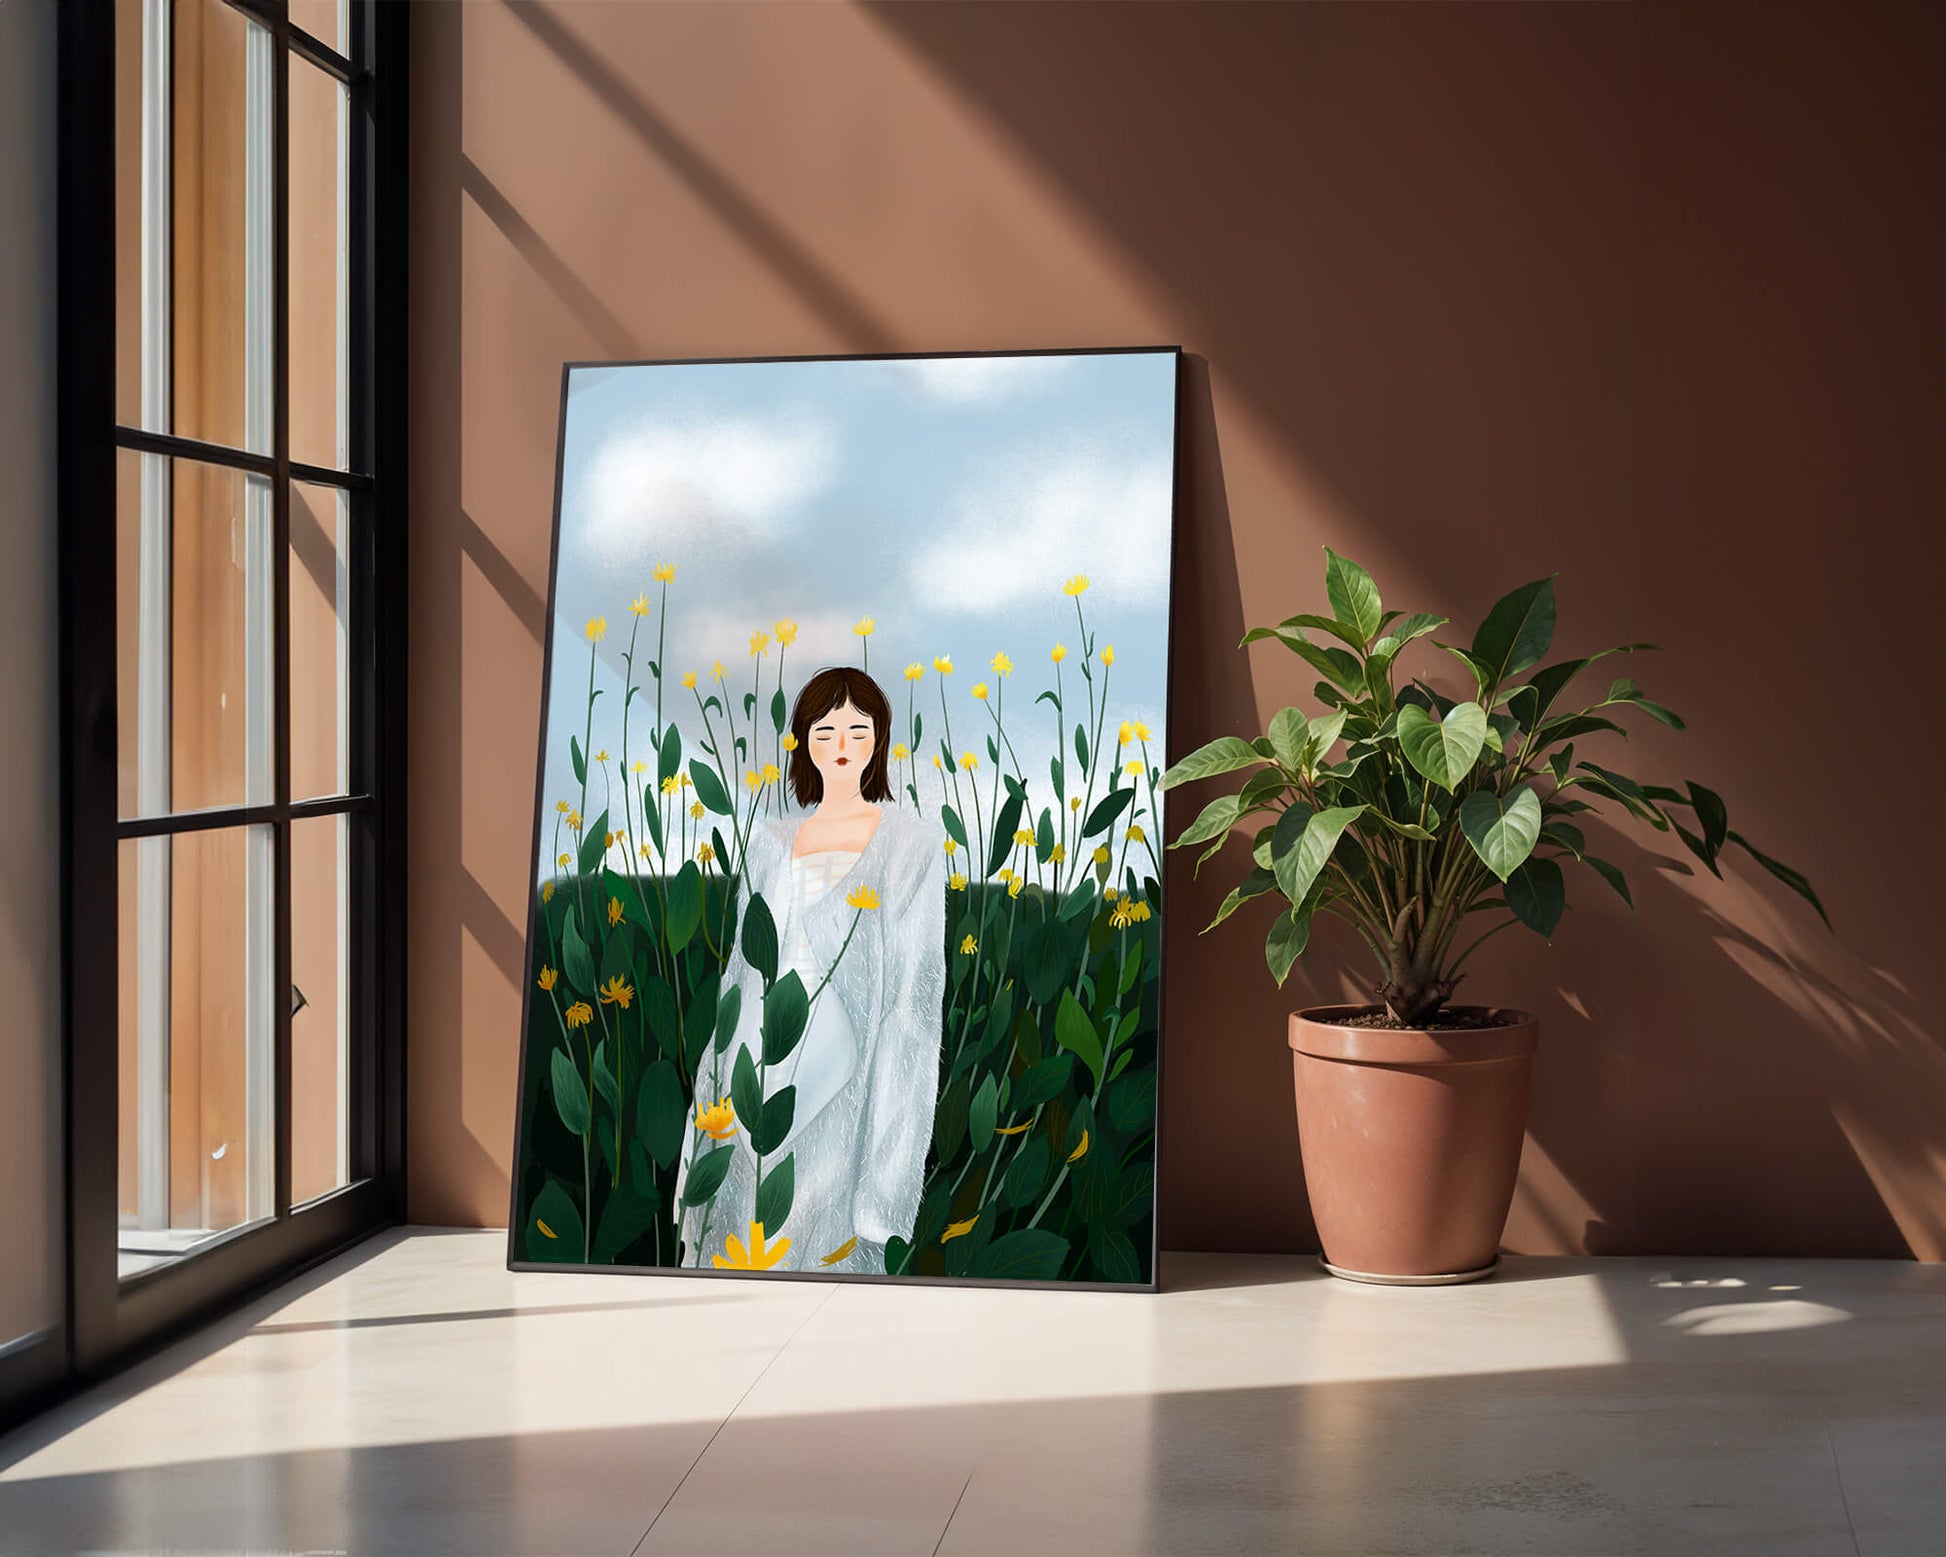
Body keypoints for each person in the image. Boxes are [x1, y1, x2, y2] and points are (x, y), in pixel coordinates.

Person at [679, 665, 945, 1274]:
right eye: (825, 731)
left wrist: (887, 1191)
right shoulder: (771, 840)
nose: (843, 746)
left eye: (859, 729)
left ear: (880, 738)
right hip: (755, 1068)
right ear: (803, 742)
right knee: (739, 1245)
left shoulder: (911, 844)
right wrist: (708, 1107)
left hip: (844, 1079)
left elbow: (914, 1007)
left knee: (823, 1258)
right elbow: (740, 979)